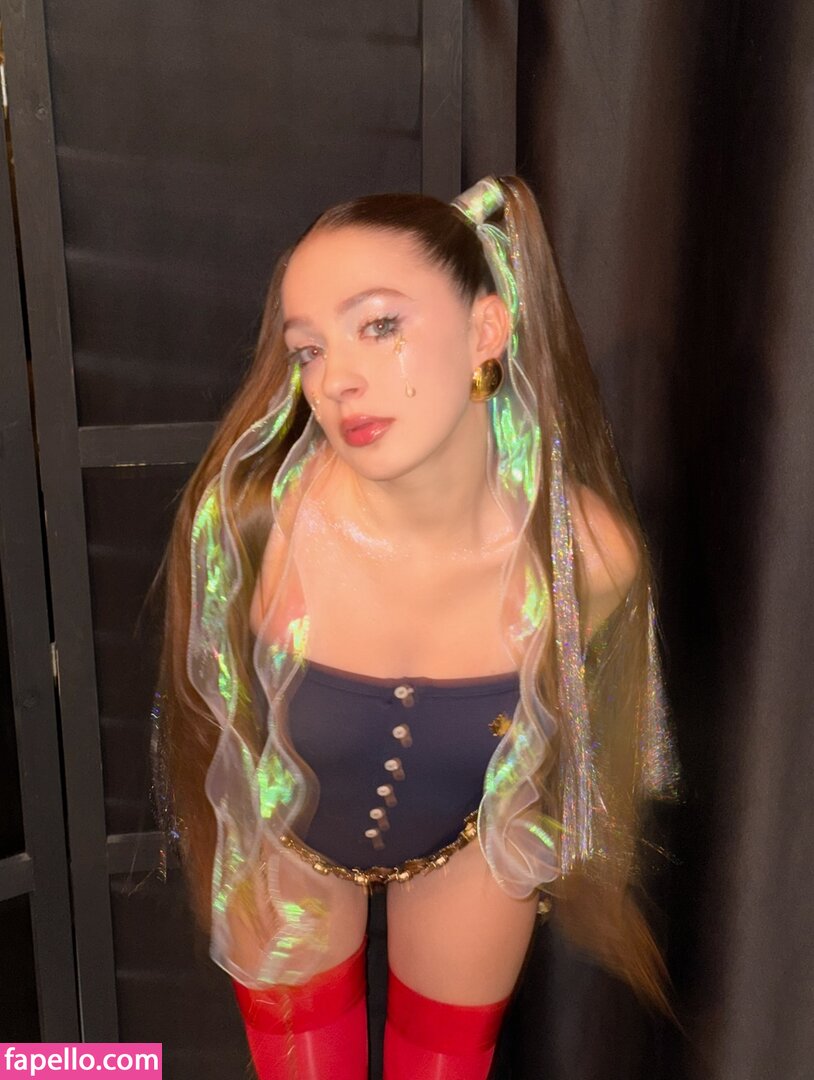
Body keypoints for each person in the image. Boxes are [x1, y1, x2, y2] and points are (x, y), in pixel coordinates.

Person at [154, 176, 676, 1079]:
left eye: (380, 324)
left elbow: (581, 741)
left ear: (486, 330)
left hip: (472, 855)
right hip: (292, 854)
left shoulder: (587, 559)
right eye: (308, 349)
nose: (336, 380)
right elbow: (216, 723)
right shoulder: (257, 529)